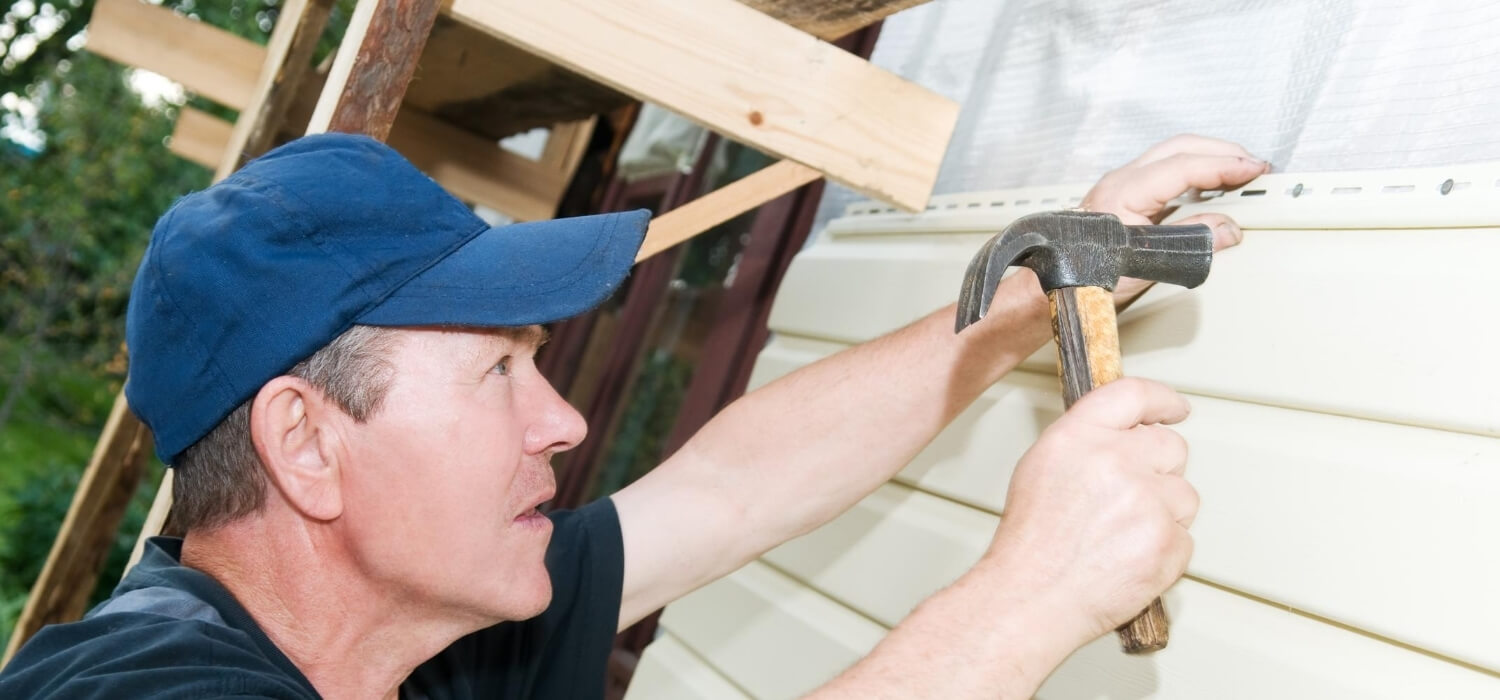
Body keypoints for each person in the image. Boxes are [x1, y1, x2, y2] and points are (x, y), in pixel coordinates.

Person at [0, 132, 1267, 699]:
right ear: (307, 445)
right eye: (497, 370)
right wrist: (1027, 600)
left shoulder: (418, 639)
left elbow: (727, 491)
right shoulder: (136, 690)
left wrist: (1016, 302)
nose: (560, 421)